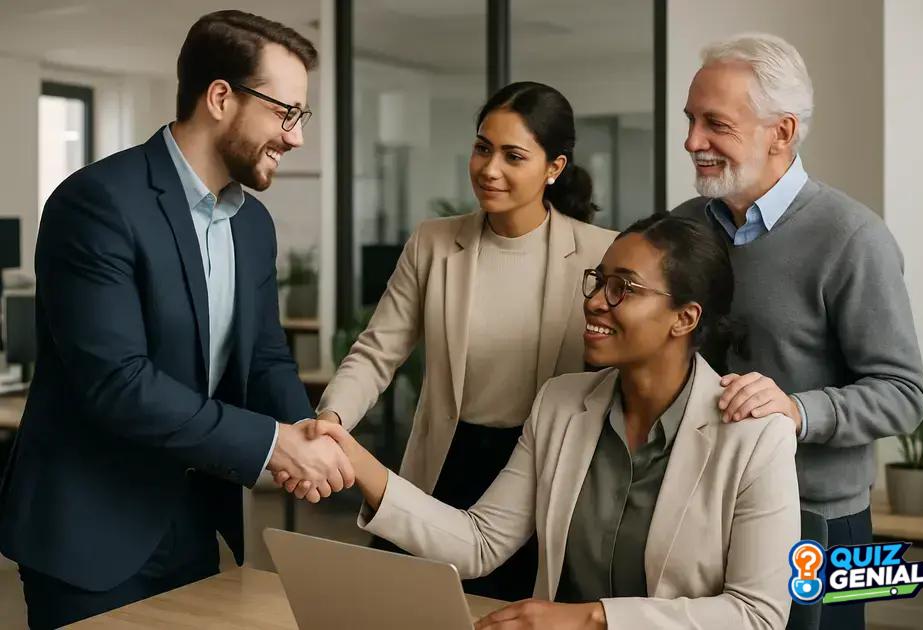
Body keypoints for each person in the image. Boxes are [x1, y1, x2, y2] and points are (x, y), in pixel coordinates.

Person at [0, 11, 353, 628]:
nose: (296, 137)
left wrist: (305, 431)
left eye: (302, 117)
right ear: (220, 97)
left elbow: (265, 353)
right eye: (285, 112)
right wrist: (275, 448)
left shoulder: (251, 222)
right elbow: (120, 383)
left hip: (193, 520)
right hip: (90, 531)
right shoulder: (97, 204)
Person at [285, 213, 801, 630]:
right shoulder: (561, 404)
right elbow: (481, 542)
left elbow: (756, 614)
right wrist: (359, 465)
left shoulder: (756, 435)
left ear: (685, 318)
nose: (595, 301)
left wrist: (592, 620)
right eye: (599, 281)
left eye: (624, 288)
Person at [285, 82, 616, 600]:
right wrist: (331, 423)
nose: (489, 169)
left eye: (513, 156)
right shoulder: (434, 242)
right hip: (444, 460)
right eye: (482, 147)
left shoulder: (603, 254)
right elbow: (377, 352)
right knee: (409, 609)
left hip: (538, 470)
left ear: (554, 168)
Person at [672, 33, 923, 630]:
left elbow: (904, 394)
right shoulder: (681, 228)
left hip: (822, 524)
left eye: (715, 123)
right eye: (690, 119)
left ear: (781, 132)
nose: (691, 141)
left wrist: (796, 409)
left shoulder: (853, 239)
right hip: (699, 507)